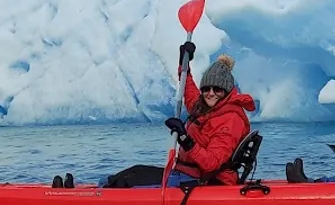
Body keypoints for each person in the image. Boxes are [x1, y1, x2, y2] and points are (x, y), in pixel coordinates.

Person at [102, 48, 255, 189]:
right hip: (186, 173)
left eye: (217, 89)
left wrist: (185, 139)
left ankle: (99, 201)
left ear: (227, 91)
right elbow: (188, 88)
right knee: (132, 172)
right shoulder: (205, 107)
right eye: (206, 88)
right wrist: (184, 64)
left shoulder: (231, 119)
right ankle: (98, 191)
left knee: (127, 181)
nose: (211, 93)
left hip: (208, 179)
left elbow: (211, 163)